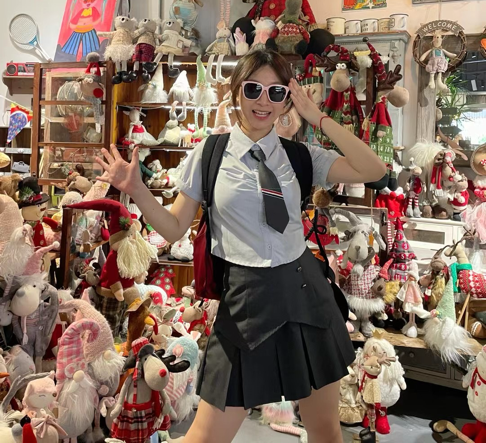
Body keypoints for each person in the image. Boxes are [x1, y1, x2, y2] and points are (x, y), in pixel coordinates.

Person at [96, 50, 386, 443]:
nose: (263, 101)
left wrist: (318, 118)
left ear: (287, 98)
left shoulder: (300, 156)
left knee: (325, 434)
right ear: (236, 92)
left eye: (275, 91)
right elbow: (174, 227)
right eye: (253, 89)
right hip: (244, 300)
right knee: (205, 438)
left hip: (305, 295)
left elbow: (374, 169)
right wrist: (137, 189)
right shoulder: (210, 153)